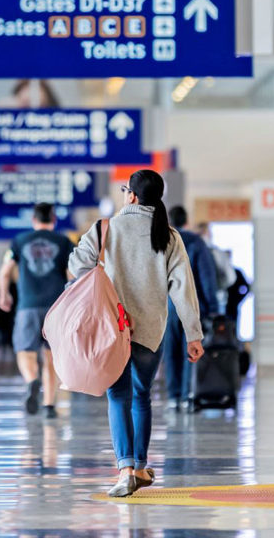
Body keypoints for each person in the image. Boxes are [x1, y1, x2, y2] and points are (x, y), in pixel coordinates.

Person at [67, 169, 204, 498]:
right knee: (142, 397)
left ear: (130, 195)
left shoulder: (106, 228)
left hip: (112, 328)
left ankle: (126, 469)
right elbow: (183, 288)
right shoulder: (169, 235)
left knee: (118, 396)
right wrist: (193, 334)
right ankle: (141, 468)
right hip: (151, 330)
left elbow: (76, 266)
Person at [0, 202, 75, 417]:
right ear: (54, 220)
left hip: (27, 306)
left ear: (33, 220)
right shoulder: (64, 242)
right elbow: (72, 274)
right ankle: (49, 405)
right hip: (55, 308)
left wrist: (3, 295)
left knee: (25, 351)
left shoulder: (19, 241)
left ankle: (32, 381)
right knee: (51, 358)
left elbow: (5, 272)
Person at [162, 205, 219, 410]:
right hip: (192, 305)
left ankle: (173, 396)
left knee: (170, 352)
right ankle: (187, 396)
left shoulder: (163, 241)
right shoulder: (196, 242)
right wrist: (212, 308)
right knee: (191, 350)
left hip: (166, 307)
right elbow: (207, 277)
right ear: (187, 221)